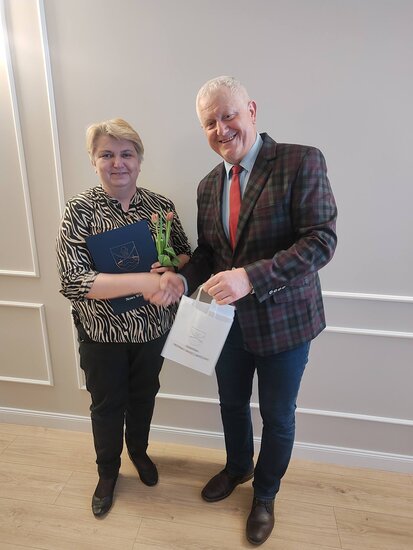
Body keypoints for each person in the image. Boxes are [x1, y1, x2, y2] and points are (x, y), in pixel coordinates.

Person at [150, 76, 337, 545]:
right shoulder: (207, 185)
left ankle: (266, 494)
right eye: (209, 122)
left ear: (251, 110)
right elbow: (211, 253)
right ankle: (238, 468)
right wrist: (183, 279)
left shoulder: (300, 161)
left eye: (228, 115)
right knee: (231, 403)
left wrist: (251, 277)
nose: (221, 128)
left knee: (277, 415)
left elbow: (320, 241)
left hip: (285, 324)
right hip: (226, 323)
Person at [56, 118, 190, 518]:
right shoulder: (79, 210)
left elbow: (185, 252)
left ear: (139, 160)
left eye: (126, 154)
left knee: (144, 397)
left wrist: (171, 267)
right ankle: (108, 472)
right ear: (93, 161)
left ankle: (139, 452)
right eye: (107, 154)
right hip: (101, 333)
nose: (118, 163)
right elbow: (73, 280)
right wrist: (143, 281)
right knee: (107, 405)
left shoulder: (160, 207)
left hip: (152, 329)